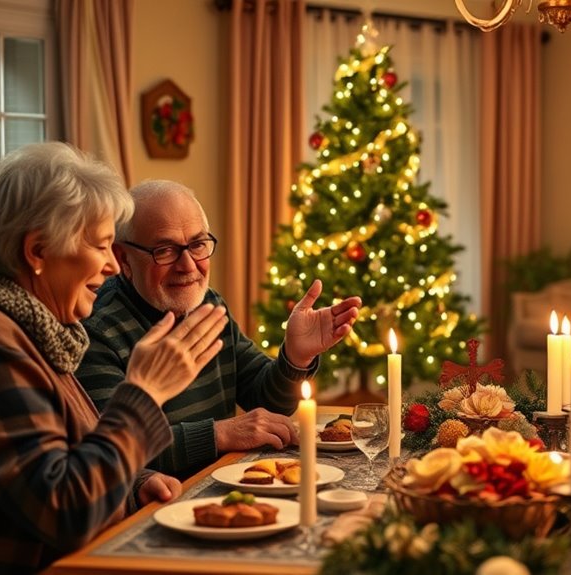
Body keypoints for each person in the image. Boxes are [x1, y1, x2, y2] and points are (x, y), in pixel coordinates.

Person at [0, 143, 228, 573]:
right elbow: (65, 512)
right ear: (37, 251)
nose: (113, 265)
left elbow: (58, 460)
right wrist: (144, 392)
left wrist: (132, 485)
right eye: (102, 245)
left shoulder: (28, 324)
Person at [76, 180, 361, 478]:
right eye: (165, 250)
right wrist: (219, 434)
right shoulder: (96, 330)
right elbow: (111, 454)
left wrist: (295, 357)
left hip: (220, 485)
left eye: (198, 245)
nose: (188, 265)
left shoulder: (207, 303)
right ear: (123, 259)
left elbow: (267, 402)